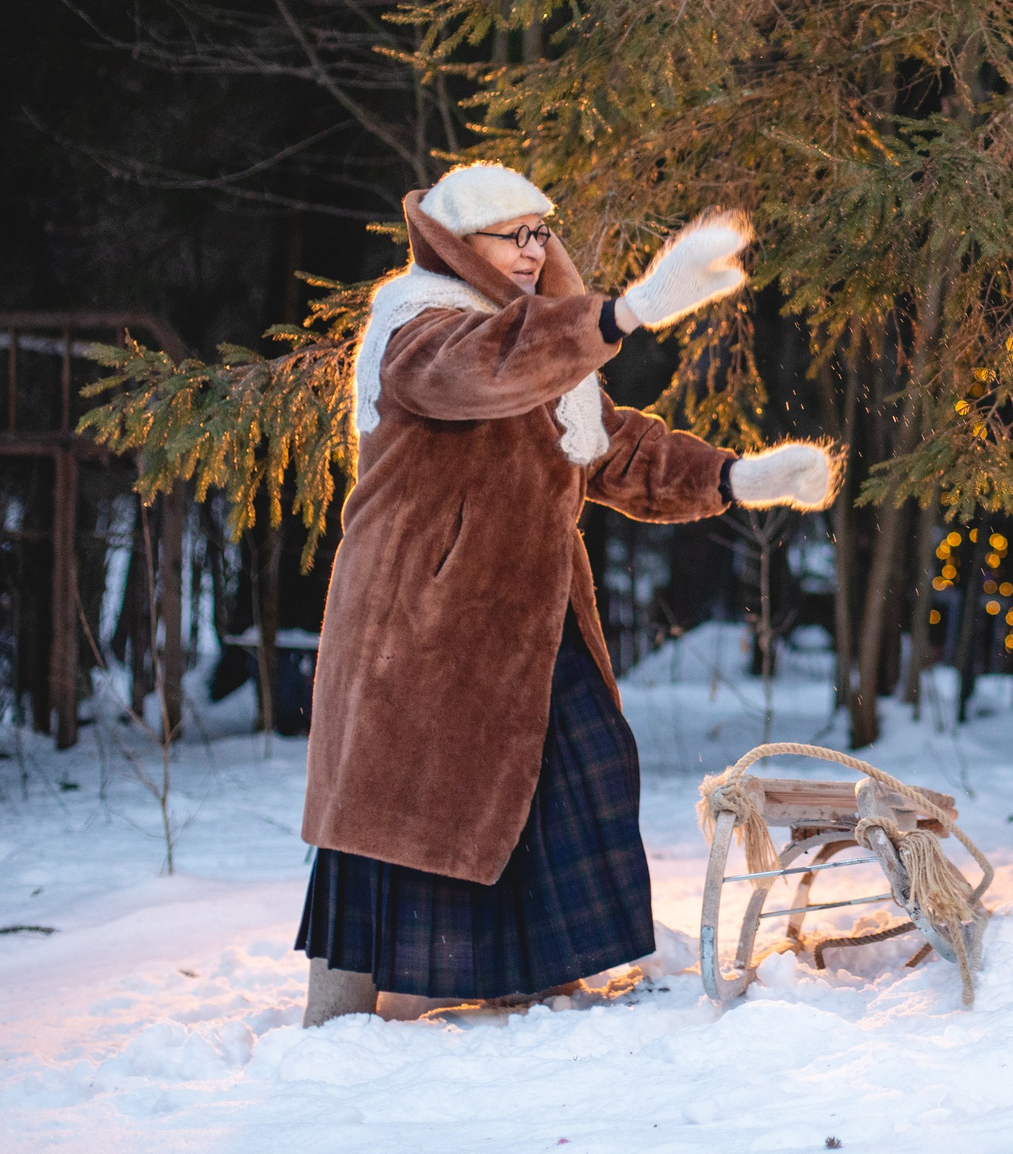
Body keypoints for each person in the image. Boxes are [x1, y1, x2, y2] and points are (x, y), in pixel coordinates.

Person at [297, 163, 837, 1025]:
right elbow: (480, 373)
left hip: (527, 613)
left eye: (538, 231)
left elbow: (608, 449)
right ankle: (336, 1011)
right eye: (509, 235)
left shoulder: (537, 340)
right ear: (454, 243)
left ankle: (539, 975)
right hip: (421, 621)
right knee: (400, 805)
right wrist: (624, 313)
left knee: (578, 769)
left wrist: (738, 477)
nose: (529, 250)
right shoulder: (418, 326)